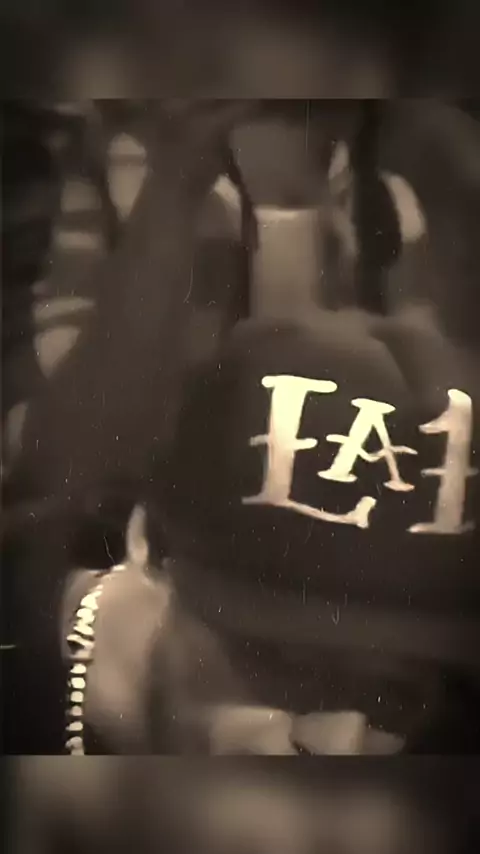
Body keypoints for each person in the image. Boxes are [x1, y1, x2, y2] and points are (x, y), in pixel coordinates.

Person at [4, 100, 480, 754]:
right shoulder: (87, 158)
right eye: (284, 666)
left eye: (395, 698)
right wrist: (178, 182)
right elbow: (54, 476)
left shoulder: (399, 185)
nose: (338, 742)